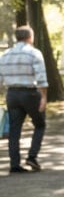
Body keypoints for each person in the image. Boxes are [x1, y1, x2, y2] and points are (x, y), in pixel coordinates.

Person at [0, 26, 48, 173]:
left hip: (12, 94)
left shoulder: (5, 55)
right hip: (30, 94)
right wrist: (44, 97)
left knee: (14, 130)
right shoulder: (34, 53)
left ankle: (15, 164)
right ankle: (32, 157)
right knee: (40, 124)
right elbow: (41, 77)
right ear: (30, 37)